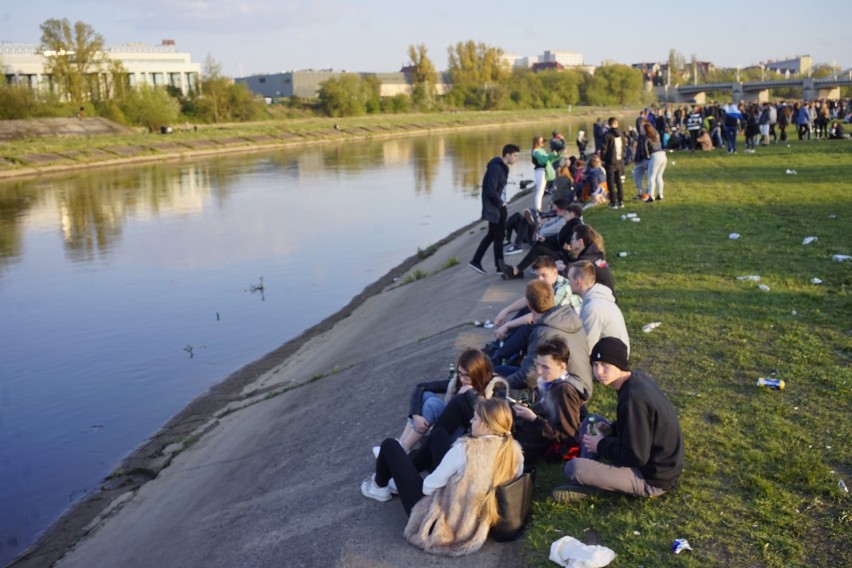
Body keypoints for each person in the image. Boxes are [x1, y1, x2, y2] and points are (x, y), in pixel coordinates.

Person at [362, 398, 524, 557]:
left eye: (475, 418)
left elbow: (428, 487)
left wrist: (444, 475)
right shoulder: (514, 452)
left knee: (390, 445)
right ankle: (398, 478)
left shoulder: (465, 450)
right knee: (439, 434)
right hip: (475, 523)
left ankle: (378, 487)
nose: (470, 420)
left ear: (485, 425)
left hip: (439, 526)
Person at [552, 338, 684, 501]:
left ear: (619, 363)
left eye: (605, 364)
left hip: (652, 478)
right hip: (652, 460)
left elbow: (636, 457)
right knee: (591, 420)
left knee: (574, 467)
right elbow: (639, 428)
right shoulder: (634, 381)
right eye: (595, 365)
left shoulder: (633, 399)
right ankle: (589, 480)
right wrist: (613, 429)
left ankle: (590, 482)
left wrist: (600, 445)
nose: (599, 372)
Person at [374, 349, 495, 457]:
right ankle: (402, 445)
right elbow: (421, 386)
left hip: (462, 435)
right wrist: (415, 414)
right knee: (426, 396)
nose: (462, 379)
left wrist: (469, 393)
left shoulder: (491, 387)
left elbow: (486, 416)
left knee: (432, 404)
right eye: (460, 374)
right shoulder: (458, 382)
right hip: (446, 425)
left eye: (467, 376)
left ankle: (402, 449)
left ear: (478, 374)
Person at [496, 279, 593, 395]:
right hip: (582, 385)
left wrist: (500, 385)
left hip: (568, 393)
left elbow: (529, 377)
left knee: (497, 374)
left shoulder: (543, 333)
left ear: (529, 306)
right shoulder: (568, 318)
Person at [488, 255, 582, 366]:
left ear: (555, 272)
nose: (540, 279)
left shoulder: (562, 289)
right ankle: (498, 346)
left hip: (569, 334)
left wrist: (507, 325)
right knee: (527, 308)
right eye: (537, 276)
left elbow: (536, 316)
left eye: (543, 275)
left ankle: (497, 358)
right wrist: (506, 310)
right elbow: (529, 299)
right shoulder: (550, 284)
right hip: (558, 326)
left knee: (527, 327)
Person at [511, 337, 589, 465]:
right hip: (530, 435)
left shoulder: (564, 390)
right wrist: (527, 407)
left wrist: (534, 419)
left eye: (545, 367)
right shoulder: (551, 382)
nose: (539, 371)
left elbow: (570, 437)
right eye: (538, 365)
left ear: (562, 366)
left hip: (535, 444)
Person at [469, 144, 520, 275]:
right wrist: (501, 203)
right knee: (498, 237)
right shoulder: (496, 168)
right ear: (507, 155)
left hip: (498, 207)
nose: (516, 158)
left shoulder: (502, 168)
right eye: (515, 156)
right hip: (496, 208)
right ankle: (498, 266)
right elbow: (490, 190)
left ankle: (479, 261)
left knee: (493, 235)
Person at [502, 201, 583, 280]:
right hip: (561, 253)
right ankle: (519, 269)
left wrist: (569, 247)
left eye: (566, 214)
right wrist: (545, 240)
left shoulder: (574, 226)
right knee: (540, 243)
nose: (564, 216)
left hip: (565, 259)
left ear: (572, 215)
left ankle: (517, 270)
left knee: (539, 249)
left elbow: (569, 247)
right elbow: (559, 242)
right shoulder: (571, 224)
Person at [566, 260, 629, 354]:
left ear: (578, 282)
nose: (568, 282)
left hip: (611, 363)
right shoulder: (597, 299)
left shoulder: (593, 309)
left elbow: (587, 348)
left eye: (569, 279)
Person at [558, 224, 615, 295]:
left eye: (573, 239)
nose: (571, 242)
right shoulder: (594, 254)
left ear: (580, 242)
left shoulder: (587, 261)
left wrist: (560, 269)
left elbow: (570, 276)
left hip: (600, 300)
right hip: (607, 298)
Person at [600, 117, 626, 209]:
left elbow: (604, 149)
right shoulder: (621, 134)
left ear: (609, 124)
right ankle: (621, 201)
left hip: (610, 161)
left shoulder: (607, 135)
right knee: (618, 181)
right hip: (619, 160)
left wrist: (602, 159)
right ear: (617, 124)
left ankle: (613, 202)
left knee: (610, 182)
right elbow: (624, 147)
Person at [531, 136, 559, 212]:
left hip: (544, 171)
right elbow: (542, 160)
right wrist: (551, 155)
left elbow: (548, 160)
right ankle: (538, 209)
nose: (543, 143)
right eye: (541, 141)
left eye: (543, 141)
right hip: (540, 171)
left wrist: (558, 155)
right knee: (539, 191)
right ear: (537, 142)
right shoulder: (535, 152)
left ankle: (538, 209)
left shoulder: (541, 150)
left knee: (541, 191)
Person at [644, 122, 667, 202]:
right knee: (659, 176)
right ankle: (660, 194)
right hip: (663, 155)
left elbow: (645, 149)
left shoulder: (647, 137)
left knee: (651, 177)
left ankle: (651, 196)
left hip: (655, 156)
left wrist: (647, 156)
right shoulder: (657, 134)